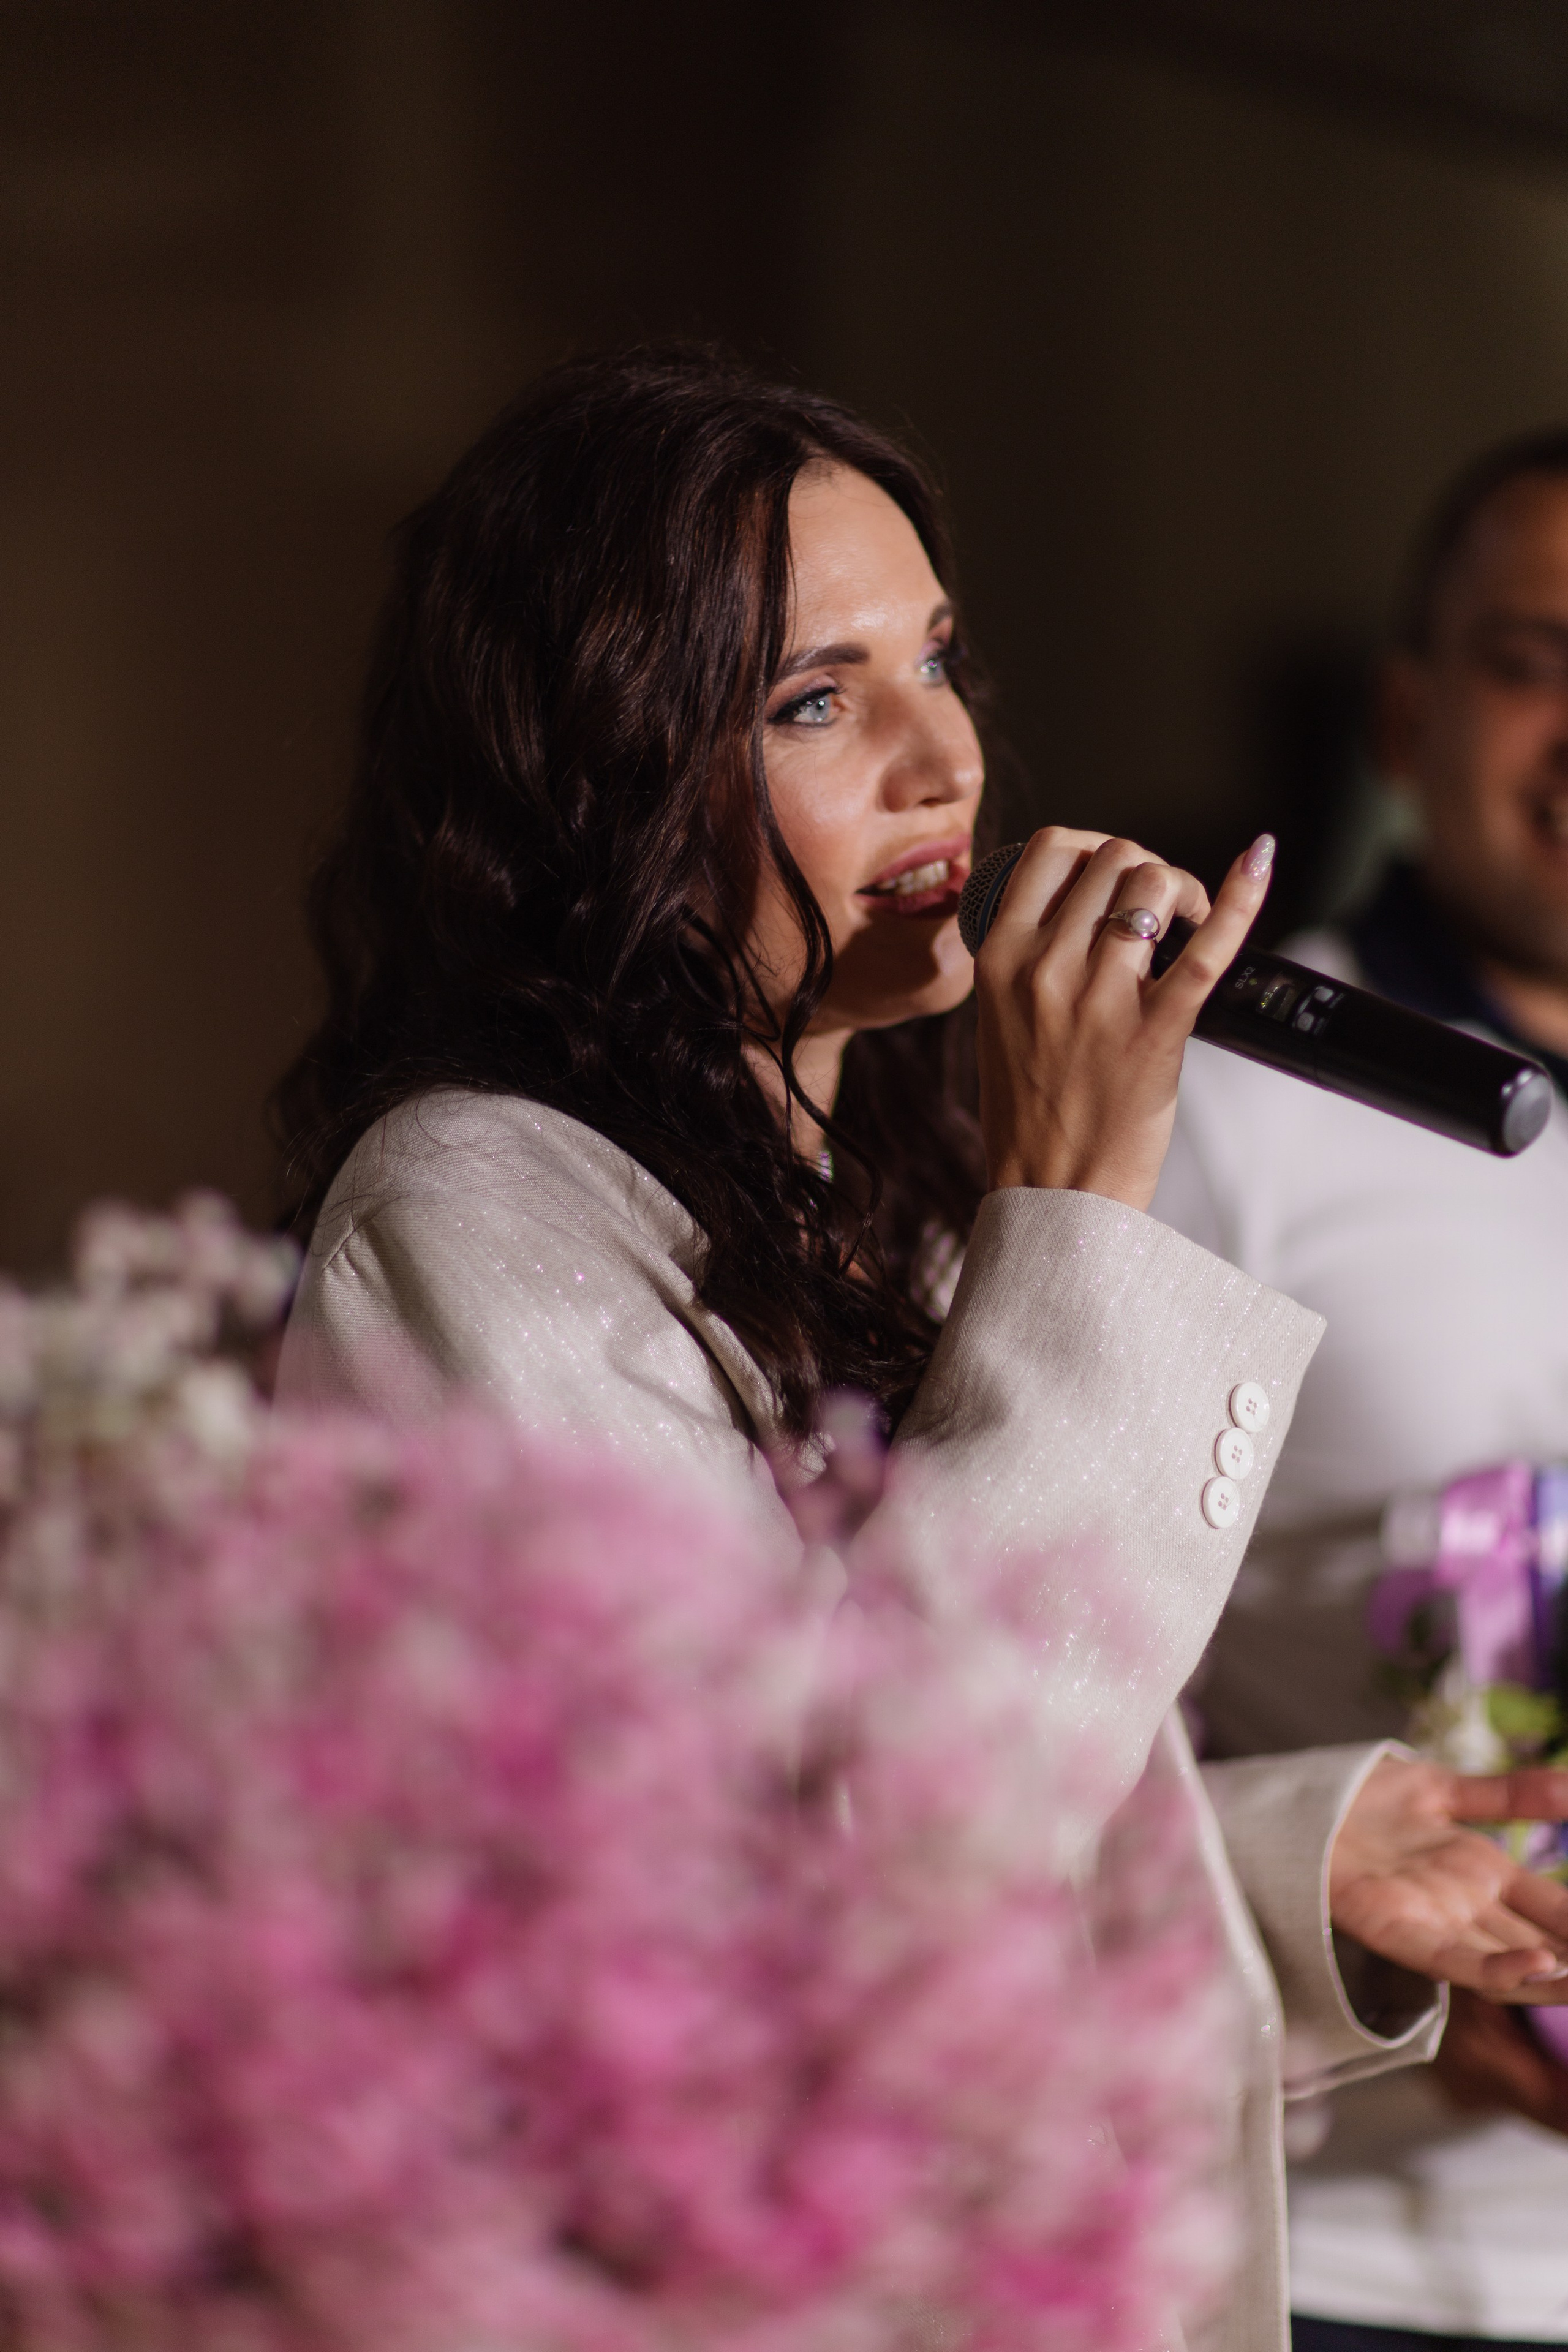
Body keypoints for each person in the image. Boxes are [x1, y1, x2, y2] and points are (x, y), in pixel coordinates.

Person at [273, 354, 1568, 2352]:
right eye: (814, 698)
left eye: (938, 662)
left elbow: (935, 1798)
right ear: (595, 773)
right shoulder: (475, 1228)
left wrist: (1294, 1858)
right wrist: (1077, 1228)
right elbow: (818, 1922)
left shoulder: (855, 1200)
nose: (944, 757)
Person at [1153, 427, 1568, 2350]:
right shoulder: (1221, 1097)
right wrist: (1360, 1917)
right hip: (1349, 2258)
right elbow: (1017, 1703)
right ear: (1408, 718)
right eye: (1532, 658)